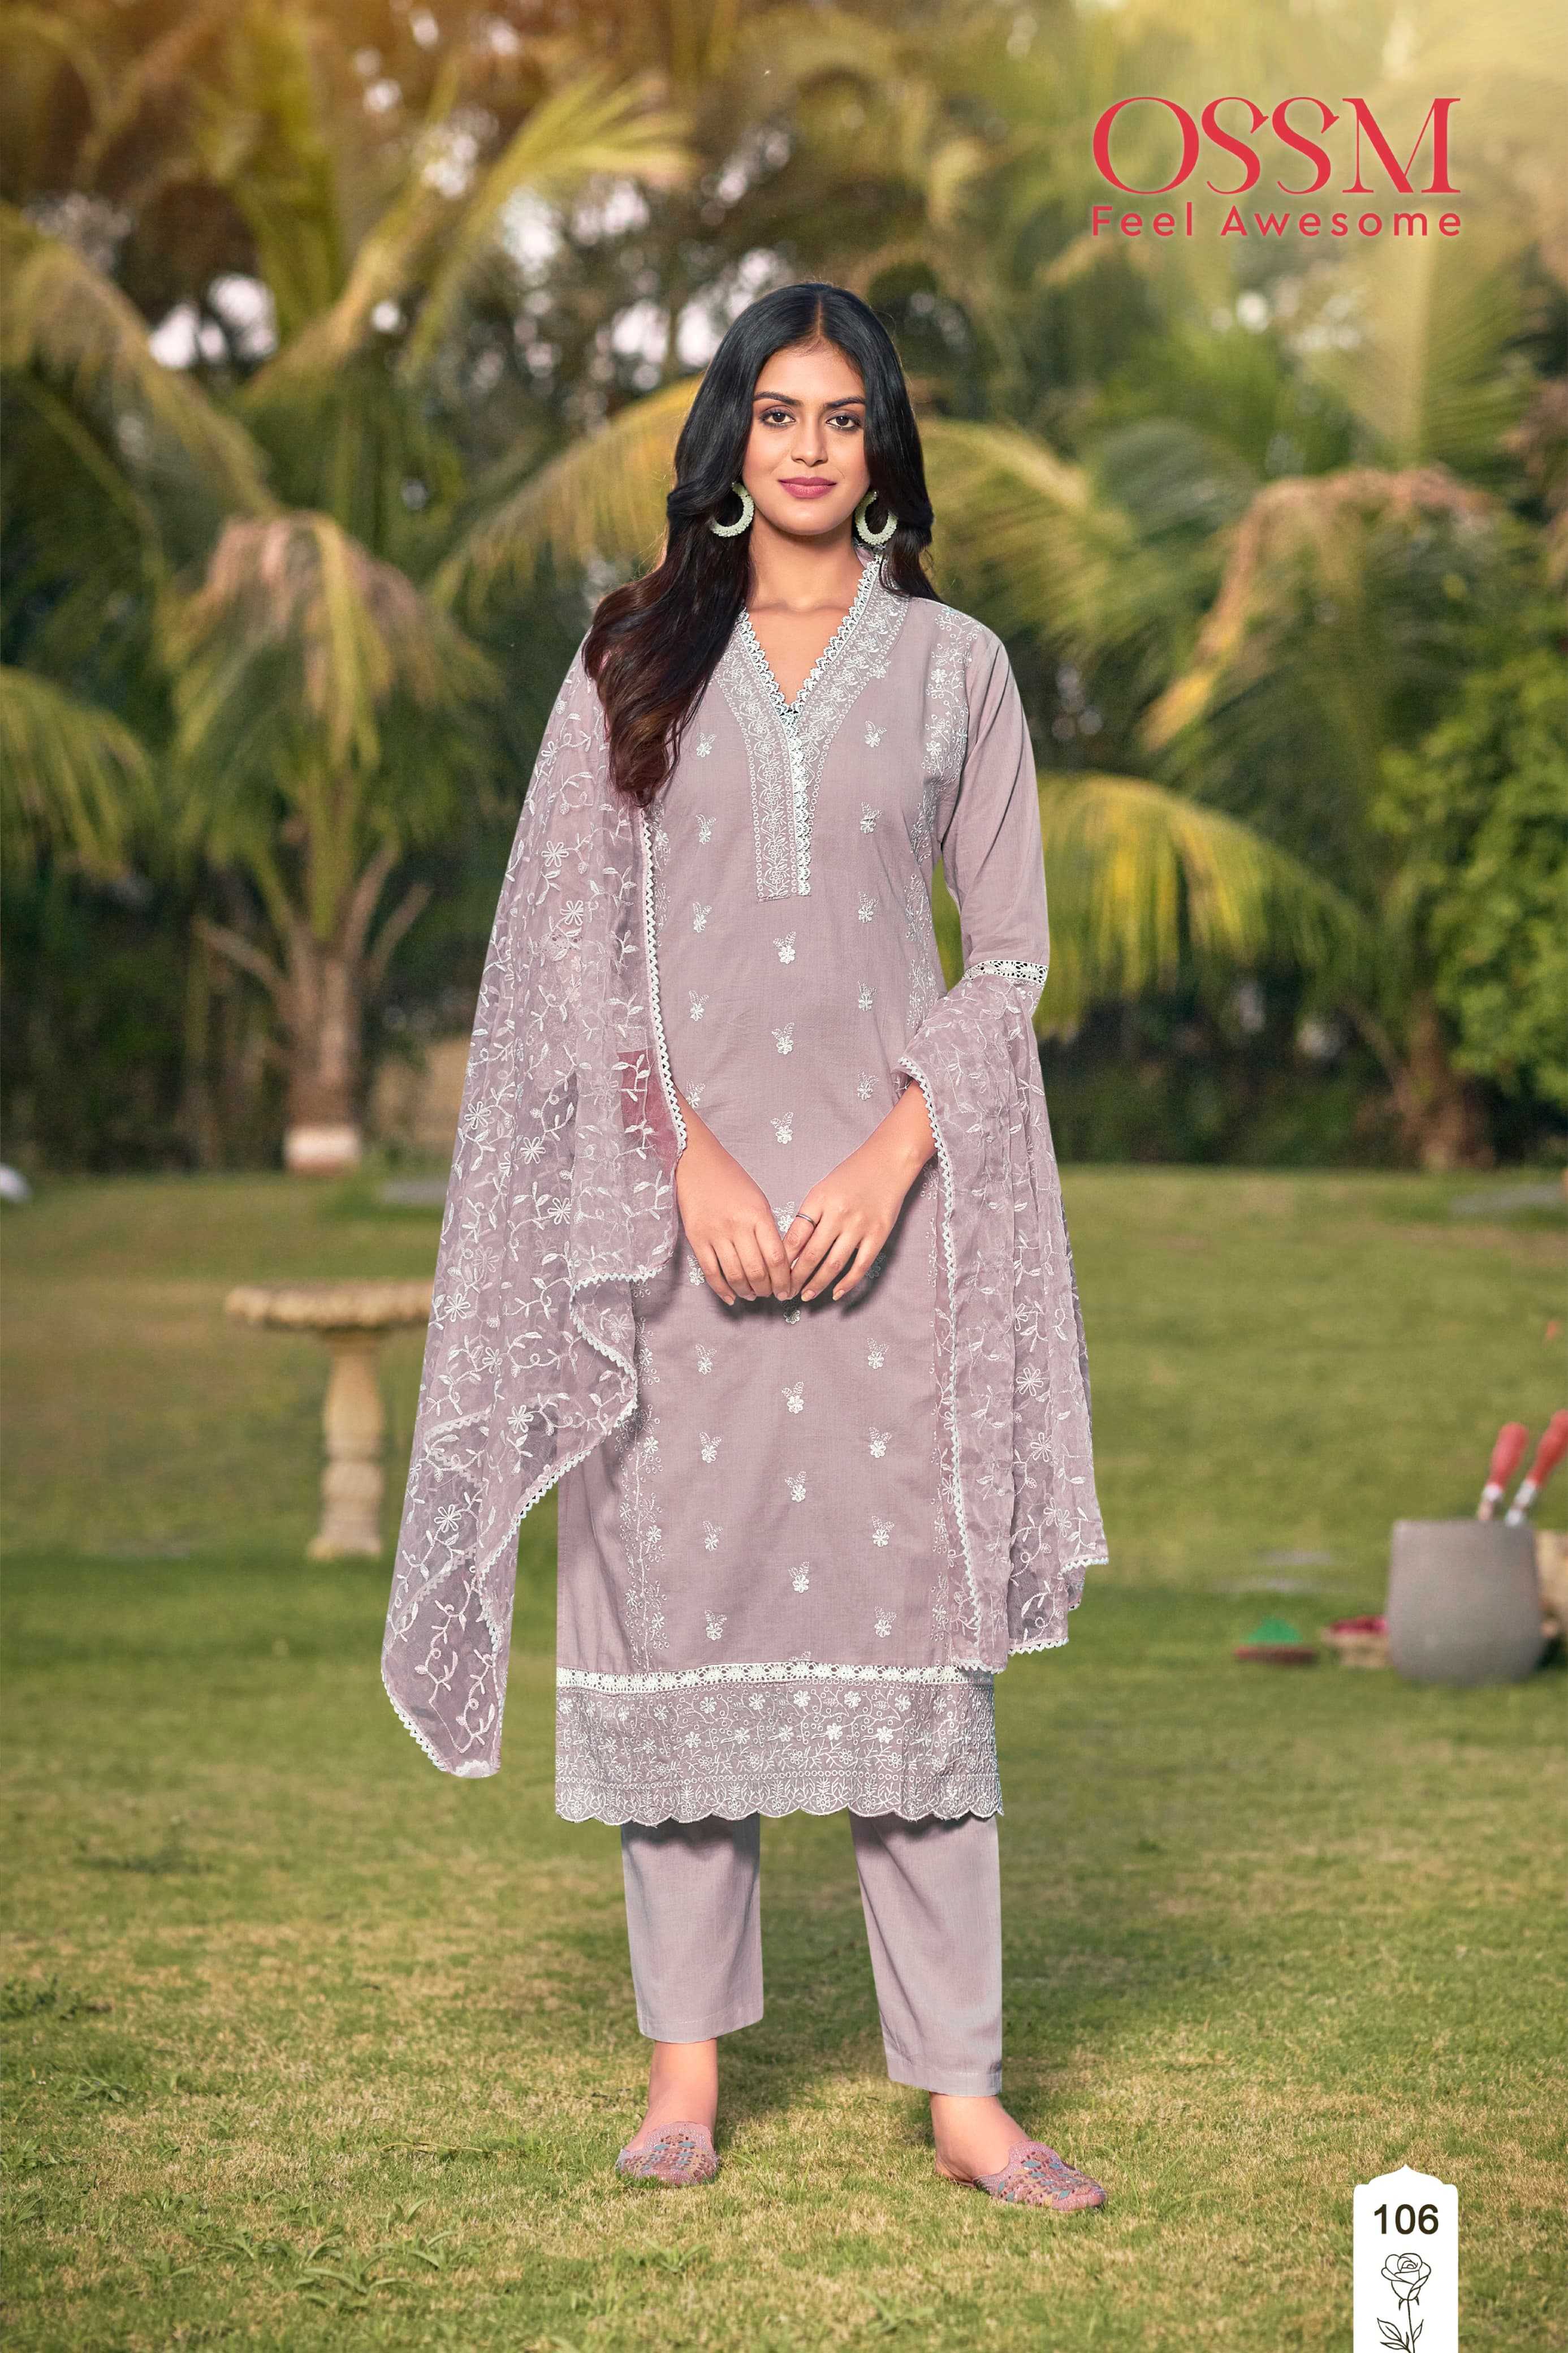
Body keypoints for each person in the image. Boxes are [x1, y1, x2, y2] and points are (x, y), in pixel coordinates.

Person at [382, 283, 1109, 2213]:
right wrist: (684, 1162)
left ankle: (964, 2096)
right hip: (674, 1233)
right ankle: (684, 2077)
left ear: (882, 451)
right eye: (778, 414)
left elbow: (1010, 958)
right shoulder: (633, 656)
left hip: (893, 1231)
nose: (808, 447)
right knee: (678, 1618)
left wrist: (888, 1162)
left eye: (843, 417)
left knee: (915, 1648)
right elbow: (573, 958)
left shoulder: (956, 669)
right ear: (728, 441)